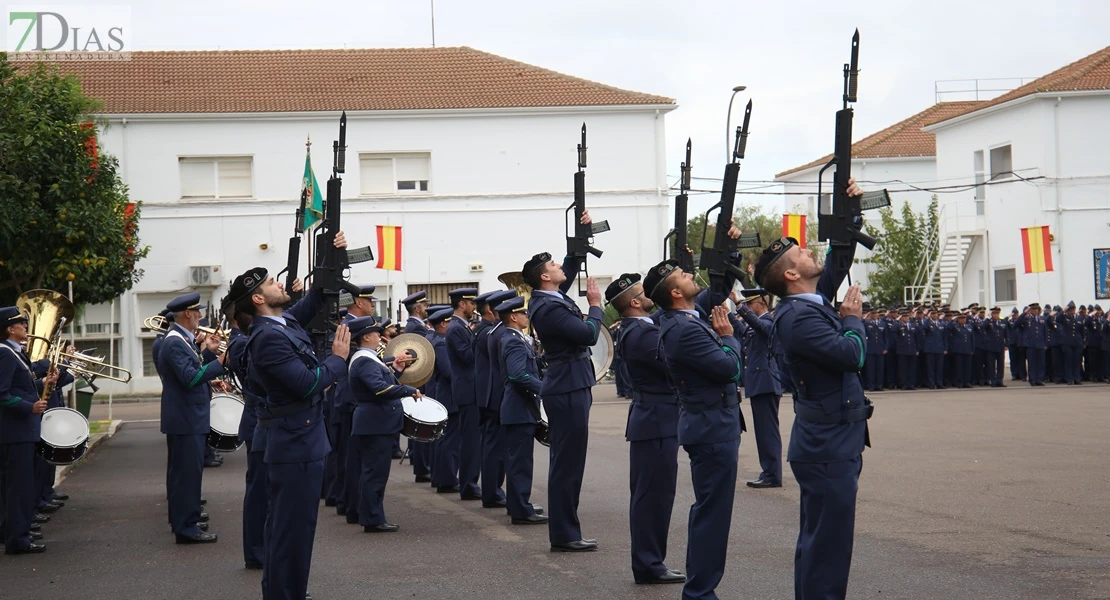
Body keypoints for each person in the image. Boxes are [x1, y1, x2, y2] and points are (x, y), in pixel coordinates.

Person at [752, 177, 871, 600]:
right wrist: (854, 319)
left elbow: (837, 258)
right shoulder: (800, 317)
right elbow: (851, 355)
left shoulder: (807, 301)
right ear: (790, 273)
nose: (808, 251)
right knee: (828, 547)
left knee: (821, 542)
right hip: (827, 444)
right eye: (800, 252)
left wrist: (849, 212)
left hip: (829, 440)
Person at [230, 235, 349, 600]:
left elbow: (318, 294)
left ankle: (289, 591)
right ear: (258, 299)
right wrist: (338, 359)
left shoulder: (283, 323)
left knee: (296, 529)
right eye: (270, 283)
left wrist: (334, 252)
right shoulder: (267, 338)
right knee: (290, 531)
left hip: (302, 438)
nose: (279, 284)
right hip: (295, 441)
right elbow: (306, 384)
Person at [646, 258, 744, 600]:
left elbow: (711, 291)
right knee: (712, 516)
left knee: (711, 512)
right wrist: (729, 337)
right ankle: (700, 592)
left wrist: (726, 256)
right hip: (712, 429)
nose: (690, 275)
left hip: (710, 425)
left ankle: (700, 590)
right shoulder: (684, 329)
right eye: (683, 275)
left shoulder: (682, 318)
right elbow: (729, 370)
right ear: (675, 293)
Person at [522, 245, 603, 552]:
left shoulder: (551, 298)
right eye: (554, 265)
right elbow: (588, 335)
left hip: (571, 383)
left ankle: (566, 531)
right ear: (544, 277)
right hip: (567, 387)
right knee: (567, 464)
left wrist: (578, 244)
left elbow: (565, 276)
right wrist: (595, 306)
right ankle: (566, 535)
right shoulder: (549, 307)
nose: (559, 267)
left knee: (567, 461)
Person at [605, 274, 685, 585]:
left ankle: (650, 562)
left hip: (655, 420)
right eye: (643, 292)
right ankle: (649, 564)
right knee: (653, 497)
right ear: (635, 302)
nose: (651, 294)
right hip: (655, 421)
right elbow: (673, 361)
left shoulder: (642, 327)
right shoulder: (640, 333)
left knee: (654, 495)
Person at [157, 292, 227, 544]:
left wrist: (208, 354)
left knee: (187, 474)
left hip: (188, 417)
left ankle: (187, 520)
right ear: (188, 313)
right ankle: (186, 527)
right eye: (198, 312)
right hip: (186, 419)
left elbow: (194, 370)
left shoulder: (181, 340)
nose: (201, 316)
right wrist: (220, 361)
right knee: (186, 476)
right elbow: (191, 378)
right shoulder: (175, 341)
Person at [348, 315, 417, 533]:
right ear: (366, 336)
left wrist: (396, 369)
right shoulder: (364, 360)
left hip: (375, 422)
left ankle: (372, 515)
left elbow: (382, 383)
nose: (379, 335)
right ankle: (372, 518)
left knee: (375, 472)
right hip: (375, 423)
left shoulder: (367, 358)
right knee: (374, 473)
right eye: (376, 332)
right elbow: (380, 389)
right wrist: (409, 390)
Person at [0, 306, 53, 554]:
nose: (25, 326)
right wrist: (28, 407)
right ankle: (18, 540)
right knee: (19, 487)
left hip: (21, 430)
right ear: (10, 329)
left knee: (17, 486)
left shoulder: (15, 353)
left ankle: (16, 530)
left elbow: (20, 385)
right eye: (21, 323)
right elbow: (3, 394)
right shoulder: (5, 354)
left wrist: (43, 383)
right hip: (16, 431)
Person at [495, 296, 549, 526]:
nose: (528, 316)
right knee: (520, 463)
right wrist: (545, 389)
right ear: (514, 317)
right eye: (524, 314)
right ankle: (521, 510)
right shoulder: (513, 341)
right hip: (518, 409)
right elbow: (518, 375)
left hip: (519, 408)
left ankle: (518, 504)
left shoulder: (515, 338)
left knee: (519, 461)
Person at [334, 285, 377, 523]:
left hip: (352, 396)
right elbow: (356, 360)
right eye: (369, 301)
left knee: (353, 457)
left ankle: (350, 502)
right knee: (352, 458)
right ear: (358, 302)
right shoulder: (348, 327)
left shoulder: (353, 324)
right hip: (351, 398)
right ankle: (350, 504)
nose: (372, 305)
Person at [734, 288, 784, 489]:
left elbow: (758, 326)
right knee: (764, 432)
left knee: (767, 432)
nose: (746, 307)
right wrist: (727, 313)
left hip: (766, 382)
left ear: (760, 303)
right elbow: (744, 330)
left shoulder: (769, 321)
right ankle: (769, 471)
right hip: (760, 383)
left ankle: (772, 473)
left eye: (749, 303)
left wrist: (737, 304)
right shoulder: (758, 323)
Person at [475, 290, 516, 509]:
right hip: (497, 396)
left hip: (491, 394)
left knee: (494, 447)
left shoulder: (494, 331)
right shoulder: (497, 333)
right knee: (495, 449)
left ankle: (493, 491)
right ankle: (492, 493)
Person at [445, 288, 482, 500]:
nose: (474, 307)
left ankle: (470, 482)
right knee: (469, 441)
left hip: (469, 389)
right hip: (467, 391)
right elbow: (467, 357)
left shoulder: (461, 327)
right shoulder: (456, 329)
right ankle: (468, 485)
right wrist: (477, 335)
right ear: (462, 304)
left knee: (473, 440)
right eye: (471, 303)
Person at [427, 308, 459, 493]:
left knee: (443, 438)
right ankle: (447, 479)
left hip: (444, 394)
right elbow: (448, 371)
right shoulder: (441, 343)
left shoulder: (438, 340)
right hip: (449, 395)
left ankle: (440, 477)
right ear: (443, 324)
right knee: (449, 440)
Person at [1016, 303, 1047, 386]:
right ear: (1030, 310)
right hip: (1031, 344)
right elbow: (1017, 322)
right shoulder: (1026, 319)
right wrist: (1025, 313)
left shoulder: (1041, 319)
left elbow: (1044, 332)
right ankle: (1033, 379)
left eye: (1037, 309)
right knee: (1032, 363)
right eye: (1034, 309)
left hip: (1040, 344)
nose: (1036, 311)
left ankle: (1039, 379)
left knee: (1041, 363)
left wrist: (1045, 343)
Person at [983, 307, 1007, 388]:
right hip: (991, 347)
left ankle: (1000, 380)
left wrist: (1006, 344)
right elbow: (983, 327)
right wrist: (988, 318)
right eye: (994, 313)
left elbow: (1006, 334)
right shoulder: (988, 322)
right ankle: (993, 380)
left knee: (1001, 364)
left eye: (997, 313)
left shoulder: (1002, 322)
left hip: (1000, 346)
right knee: (991, 365)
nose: (996, 315)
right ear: (991, 314)